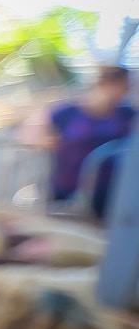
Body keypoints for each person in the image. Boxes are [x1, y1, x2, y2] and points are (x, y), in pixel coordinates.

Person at [43, 65, 133, 219]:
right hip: (68, 188)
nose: (127, 91)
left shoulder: (127, 114)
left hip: (109, 190)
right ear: (107, 84)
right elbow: (40, 137)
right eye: (125, 86)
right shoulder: (66, 112)